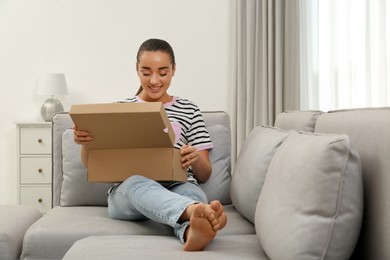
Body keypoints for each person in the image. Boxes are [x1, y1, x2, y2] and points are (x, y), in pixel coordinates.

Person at [73, 38, 227, 251]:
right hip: (130, 192)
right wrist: (86, 143)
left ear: (173, 70)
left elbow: (205, 174)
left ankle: (192, 230)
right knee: (138, 183)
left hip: (179, 186)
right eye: (146, 72)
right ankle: (195, 212)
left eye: (162, 72)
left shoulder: (189, 110)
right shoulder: (121, 109)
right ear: (137, 70)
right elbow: (94, 165)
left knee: (193, 193)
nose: (154, 80)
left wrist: (194, 159)